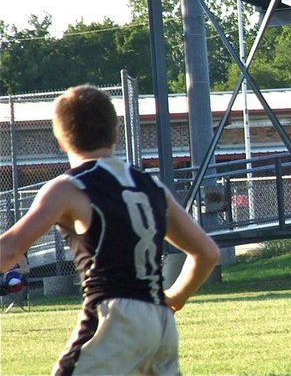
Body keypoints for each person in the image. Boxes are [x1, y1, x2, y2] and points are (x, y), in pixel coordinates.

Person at [0, 85, 220, 374]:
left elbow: (11, 249)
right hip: (160, 322)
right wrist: (175, 297)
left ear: (60, 140)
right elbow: (207, 252)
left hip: (114, 317)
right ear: (116, 133)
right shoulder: (150, 185)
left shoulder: (68, 187)